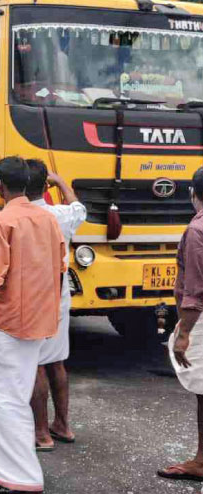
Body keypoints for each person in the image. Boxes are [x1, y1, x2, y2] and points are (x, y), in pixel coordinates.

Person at [0, 157, 66, 493]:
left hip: (8, 321)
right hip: (39, 319)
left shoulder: (2, 220)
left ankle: (18, 474)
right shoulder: (48, 219)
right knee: (14, 391)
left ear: (0, 186)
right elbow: (59, 266)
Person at [25, 160, 87, 451]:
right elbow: (79, 208)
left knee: (35, 363)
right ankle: (62, 424)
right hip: (58, 292)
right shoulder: (62, 215)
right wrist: (61, 181)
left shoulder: (16, 216)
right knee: (56, 361)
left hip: (29, 295)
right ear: (45, 185)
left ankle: (41, 433)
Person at [158, 166, 203, 482]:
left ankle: (202, 461)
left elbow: (195, 290)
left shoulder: (197, 231)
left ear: (192, 194)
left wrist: (183, 333)